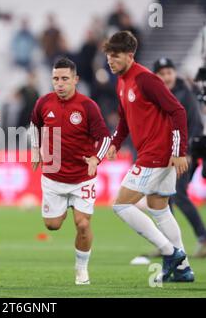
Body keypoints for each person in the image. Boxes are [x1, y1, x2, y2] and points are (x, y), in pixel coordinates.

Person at [104, 31, 193, 282]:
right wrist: (115, 142)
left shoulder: (145, 79)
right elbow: (124, 119)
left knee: (120, 204)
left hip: (157, 154)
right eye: (109, 56)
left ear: (130, 56)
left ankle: (170, 252)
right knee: (159, 208)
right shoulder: (122, 81)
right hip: (153, 153)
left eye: (116, 56)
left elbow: (178, 111)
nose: (110, 61)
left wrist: (179, 151)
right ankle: (184, 268)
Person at [30, 57, 111, 285]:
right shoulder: (43, 103)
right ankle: (64, 207)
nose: (59, 83)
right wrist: (36, 149)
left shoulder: (87, 106)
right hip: (53, 177)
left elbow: (105, 137)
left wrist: (96, 158)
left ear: (75, 79)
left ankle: (81, 269)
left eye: (65, 79)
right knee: (52, 225)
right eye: (55, 79)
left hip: (82, 178)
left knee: (83, 225)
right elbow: (34, 124)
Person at [152, 57, 206, 258]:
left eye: (169, 72)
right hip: (165, 155)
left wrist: (188, 152)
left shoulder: (185, 94)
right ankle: (169, 246)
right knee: (164, 198)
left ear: (174, 73)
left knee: (179, 195)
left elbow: (195, 125)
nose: (166, 77)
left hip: (184, 154)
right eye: (162, 73)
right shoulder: (156, 94)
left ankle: (203, 238)